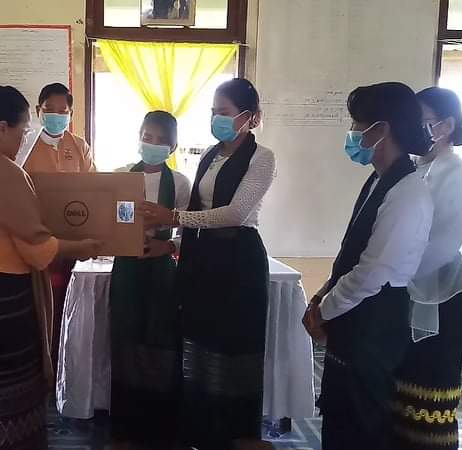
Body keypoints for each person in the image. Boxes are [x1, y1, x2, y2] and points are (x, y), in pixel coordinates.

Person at [0, 83, 101, 450]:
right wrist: (83, 247)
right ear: (2, 128)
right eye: (22, 130)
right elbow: (38, 250)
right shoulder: (6, 174)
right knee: (11, 394)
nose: (24, 138)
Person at [139, 78, 276, 450]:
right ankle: (202, 430)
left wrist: (174, 217)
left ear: (249, 117)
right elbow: (200, 212)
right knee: (200, 345)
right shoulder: (210, 156)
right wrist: (172, 244)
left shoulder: (262, 158)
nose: (217, 119)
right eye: (214, 112)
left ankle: (235, 434)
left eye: (225, 112)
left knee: (232, 349)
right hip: (203, 261)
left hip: (238, 262)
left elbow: (234, 213)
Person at [302, 82, 434, 450]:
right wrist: (322, 295)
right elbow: (351, 253)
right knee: (341, 413)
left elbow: (374, 271)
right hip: (355, 317)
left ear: (382, 129)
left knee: (362, 421)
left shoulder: (408, 192)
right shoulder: (379, 180)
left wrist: (323, 310)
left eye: (358, 124)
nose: (353, 133)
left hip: (375, 321)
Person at [392, 87, 462, 450]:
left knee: (430, 383)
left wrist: (391, 275)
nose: (412, 128)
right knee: (400, 381)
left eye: (421, 121)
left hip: (442, 291)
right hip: (404, 286)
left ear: (446, 126)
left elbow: (441, 246)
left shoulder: (460, 175)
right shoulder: (416, 168)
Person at [109, 111, 191, 448]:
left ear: (173, 146)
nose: (152, 144)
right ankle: (125, 428)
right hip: (127, 270)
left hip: (162, 272)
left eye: (161, 140)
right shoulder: (120, 176)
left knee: (160, 342)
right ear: (139, 137)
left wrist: (166, 246)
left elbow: (189, 230)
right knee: (125, 340)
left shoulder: (181, 183)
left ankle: (160, 427)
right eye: (147, 137)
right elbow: (108, 221)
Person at [23, 82, 96, 377]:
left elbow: (93, 188)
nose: (56, 115)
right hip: (37, 240)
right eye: (49, 110)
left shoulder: (79, 146)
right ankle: (42, 366)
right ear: (38, 111)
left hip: (74, 241)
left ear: (71, 114)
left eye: (62, 111)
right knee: (41, 306)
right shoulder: (25, 146)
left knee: (71, 304)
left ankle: (68, 367)